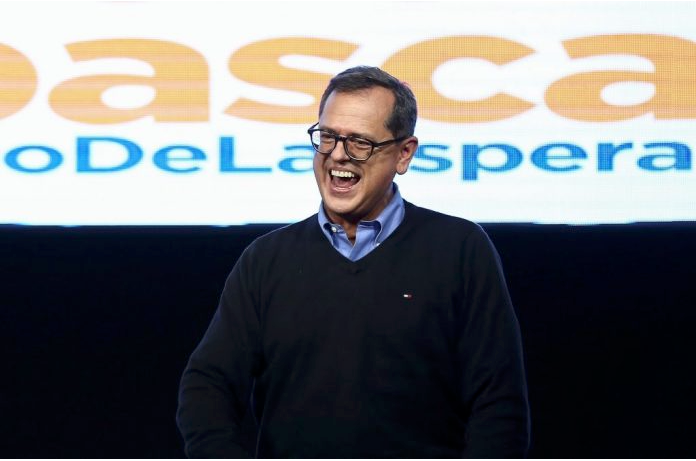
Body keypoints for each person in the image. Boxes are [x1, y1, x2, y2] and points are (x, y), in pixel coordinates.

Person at [177, 65, 530, 458]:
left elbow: (498, 404)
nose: (338, 155)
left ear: (404, 154)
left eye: (360, 142)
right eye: (328, 137)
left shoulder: (460, 249)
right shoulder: (266, 260)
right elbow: (207, 386)